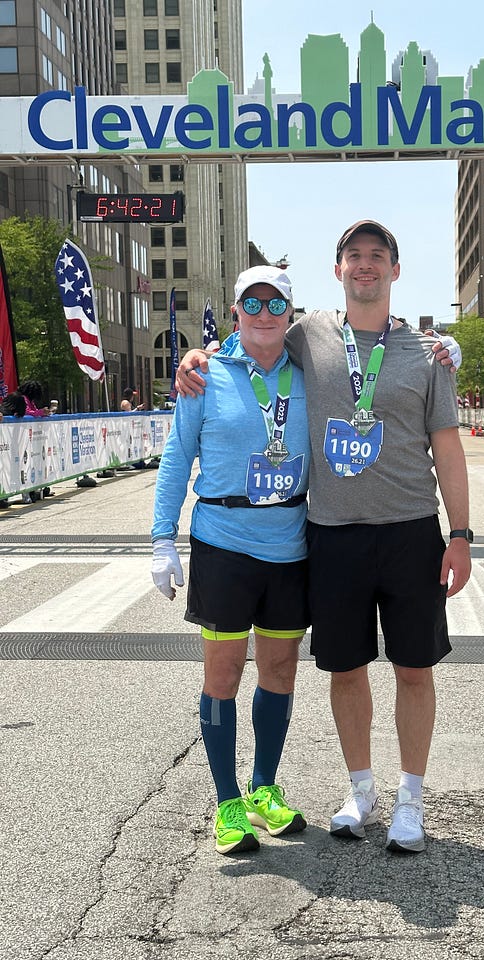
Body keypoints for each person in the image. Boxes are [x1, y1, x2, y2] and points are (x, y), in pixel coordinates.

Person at [175, 220, 471, 854]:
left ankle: (411, 801)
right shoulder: (311, 334)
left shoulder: (425, 352)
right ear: (337, 271)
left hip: (411, 530)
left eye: (377, 256)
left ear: (396, 269)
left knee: (413, 670)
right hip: (331, 536)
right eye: (354, 256)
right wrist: (196, 358)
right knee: (346, 668)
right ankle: (360, 791)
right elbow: (248, 345)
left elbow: (448, 448)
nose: (366, 266)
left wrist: (461, 533)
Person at [151, 265, 311, 856]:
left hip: (290, 544)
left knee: (279, 673)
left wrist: (439, 348)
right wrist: (161, 538)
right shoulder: (205, 375)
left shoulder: (313, 375)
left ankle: (264, 786)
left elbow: (373, 348)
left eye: (276, 304)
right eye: (253, 302)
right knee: (222, 677)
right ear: (236, 309)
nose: (264, 313)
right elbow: (176, 455)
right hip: (223, 542)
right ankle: (227, 803)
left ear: (290, 314)